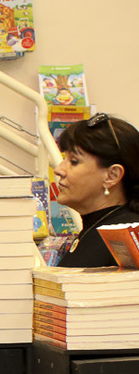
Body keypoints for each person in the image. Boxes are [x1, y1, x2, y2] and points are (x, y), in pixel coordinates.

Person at [53, 113, 139, 267]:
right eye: (64, 158)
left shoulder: (127, 239)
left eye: (74, 161)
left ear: (112, 175)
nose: (59, 170)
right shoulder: (95, 228)